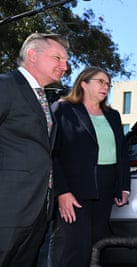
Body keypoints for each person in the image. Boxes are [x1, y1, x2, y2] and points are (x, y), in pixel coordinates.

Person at [48, 66, 130, 267]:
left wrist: (124, 186)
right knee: (73, 246)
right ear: (83, 83)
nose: (106, 86)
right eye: (100, 81)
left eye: (108, 84)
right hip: (74, 190)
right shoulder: (63, 109)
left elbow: (121, 153)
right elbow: (52, 154)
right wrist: (62, 192)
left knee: (96, 246)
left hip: (106, 188)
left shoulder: (113, 115)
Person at [0, 32, 69, 266]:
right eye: (58, 58)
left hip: (38, 211)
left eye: (67, 61)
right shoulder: (6, 85)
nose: (65, 66)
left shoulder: (43, 100)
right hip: (7, 208)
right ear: (32, 55)